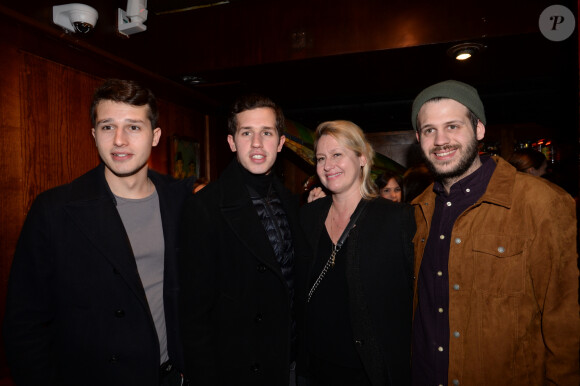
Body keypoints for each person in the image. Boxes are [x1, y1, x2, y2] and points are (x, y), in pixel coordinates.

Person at [2, 79, 194, 386]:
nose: (119, 140)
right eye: (107, 127)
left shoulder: (180, 199)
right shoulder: (55, 210)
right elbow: (24, 324)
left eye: (133, 127)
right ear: (94, 135)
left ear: (155, 136)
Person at [409, 80, 579, 386]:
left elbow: (566, 320)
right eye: (430, 130)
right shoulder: (418, 211)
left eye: (453, 126)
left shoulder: (541, 203)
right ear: (418, 138)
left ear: (479, 130)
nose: (441, 140)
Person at [179, 94, 308, 385]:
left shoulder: (289, 201)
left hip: (287, 359)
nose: (257, 143)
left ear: (281, 142)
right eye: (246, 133)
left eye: (266, 133)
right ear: (232, 142)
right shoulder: (206, 206)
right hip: (236, 367)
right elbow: (193, 311)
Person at [297, 120, 416, 386]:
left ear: (362, 157)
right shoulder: (308, 217)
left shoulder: (396, 219)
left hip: (369, 371)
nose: (328, 165)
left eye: (337, 154)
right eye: (321, 158)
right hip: (314, 368)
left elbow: (413, 300)